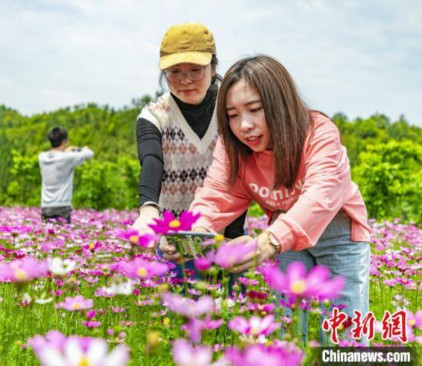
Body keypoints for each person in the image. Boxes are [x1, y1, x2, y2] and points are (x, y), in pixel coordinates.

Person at [187, 55, 370, 338]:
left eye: (254, 109)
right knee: (288, 333)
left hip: (338, 232)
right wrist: (197, 236)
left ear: (279, 104)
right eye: (232, 115)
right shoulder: (231, 146)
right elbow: (216, 194)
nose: (244, 125)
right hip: (285, 235)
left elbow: (320, 195)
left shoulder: (318, 132)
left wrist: (268, 241)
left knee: (343, 337)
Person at [132, 22, 247, 283]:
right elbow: (151, 160)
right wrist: (148, 209)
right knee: (179, 314)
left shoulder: (231, 108)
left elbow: (241, 171)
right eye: (174, 72)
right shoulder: (154, 114)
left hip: (227, 232)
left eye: (196, 70)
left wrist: (232, 235)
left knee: (229, 312)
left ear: (214, 68)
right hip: (176, 239)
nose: (185, 81)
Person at [39, 127, 93, 224]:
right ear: (64, 141)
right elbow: (89, 154)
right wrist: (83, 149)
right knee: (62, 237)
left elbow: (57, 155)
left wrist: (66, 151)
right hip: (61, 206)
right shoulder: (68, 158)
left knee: (47, 238)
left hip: (46, 206)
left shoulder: (42, 157)